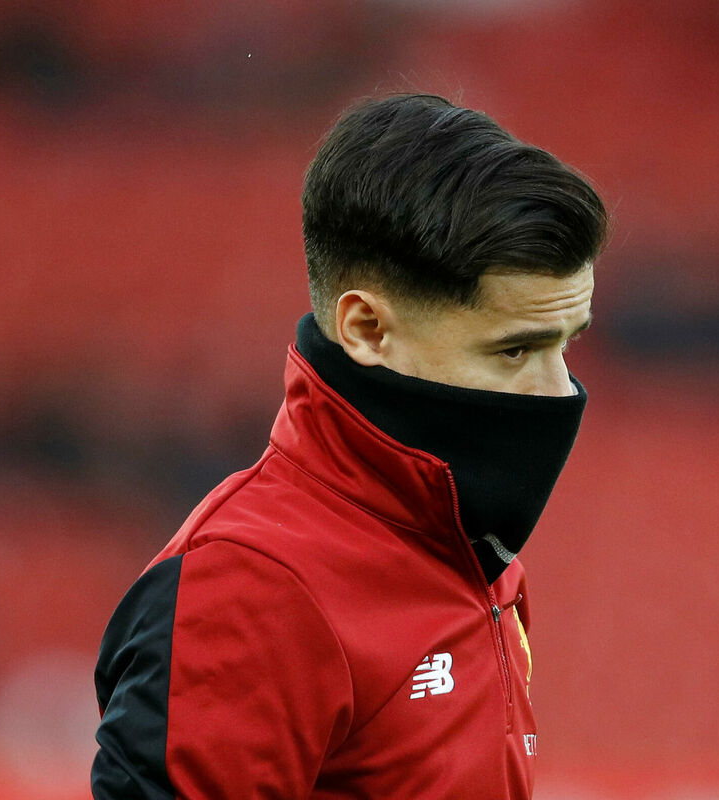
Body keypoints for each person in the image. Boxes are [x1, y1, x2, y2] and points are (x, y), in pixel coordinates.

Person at [91, 93, 609, 799]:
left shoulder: (476, 553)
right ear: (366, 328)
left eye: (566, 345)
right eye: (515, 350)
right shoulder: (249, 587)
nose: (558, 392)